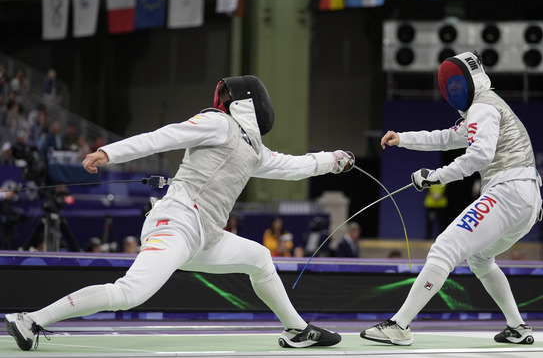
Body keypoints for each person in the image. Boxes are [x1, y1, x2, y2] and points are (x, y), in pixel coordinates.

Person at [5, 75, 354, 351]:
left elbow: (295, 166)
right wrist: (109, 152)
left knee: (260, 258)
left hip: (205, 235)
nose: (224, 103)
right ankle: (31, 319)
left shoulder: (256, 151)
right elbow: (165, 136)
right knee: (130, 293)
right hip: (177, 222)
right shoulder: (218, 123)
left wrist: (334, 161)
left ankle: (297, 330)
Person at [361, 52, 542, 346]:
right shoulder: (485, 108)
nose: (452, 91)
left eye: (456, 84)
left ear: (471, 81)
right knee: (480, 259)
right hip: (527, 199)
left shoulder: (484, 108)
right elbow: (445, 137)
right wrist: (402, 138)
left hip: (509, 190)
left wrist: (437, 176)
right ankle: (518, 327)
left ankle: (399, 325)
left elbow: (480, 155)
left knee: (445, 247)